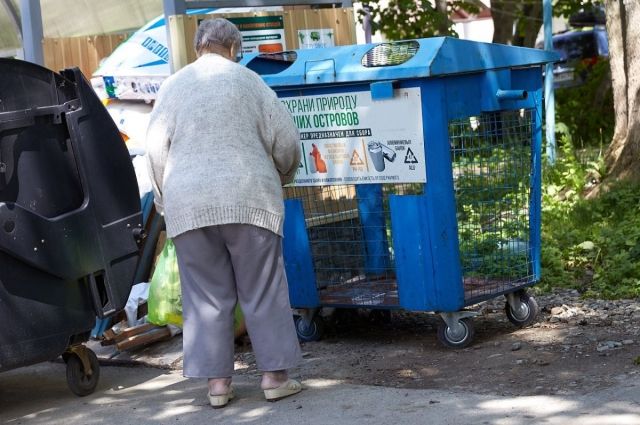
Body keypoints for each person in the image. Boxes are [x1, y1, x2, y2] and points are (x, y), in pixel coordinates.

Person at [145, 18, 303, 408]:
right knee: (262, 289)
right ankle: (274, 378)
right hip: (250, 198)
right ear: (234, 49)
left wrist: (166, 202)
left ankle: (218, 387)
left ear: (199, 46)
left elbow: (154, 151)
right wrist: (284, 174)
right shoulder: (251, 83)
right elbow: (286, 140)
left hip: (189, 204)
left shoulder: (173, 86)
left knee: (205, 296)